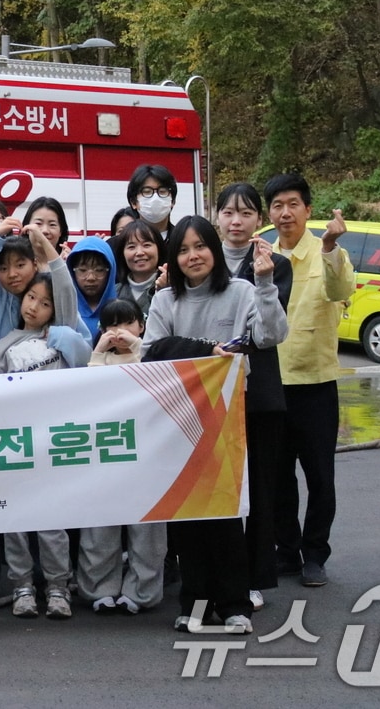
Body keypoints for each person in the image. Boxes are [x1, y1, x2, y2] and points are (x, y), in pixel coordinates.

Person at [142, 216, 289, 634]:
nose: (193, 256)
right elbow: (151, 351)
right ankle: (195, 604)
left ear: (215, 249)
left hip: (229, 415)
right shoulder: (164, 300)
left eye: (201, 246)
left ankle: (234, 605)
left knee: (225, 511)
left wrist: (265, 283)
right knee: (187, 512)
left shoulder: (241, 291)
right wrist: (208, 350)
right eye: (183, 250)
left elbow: (271, 335)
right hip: (180, 418)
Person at [265, 174, 353, 589]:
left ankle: (315, 554)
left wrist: (331, 245)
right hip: (272, 383)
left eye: (293, 204)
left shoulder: (327, 252)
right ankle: (287, 551)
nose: (285, 213)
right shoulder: (261, 256)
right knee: (277, 477)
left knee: (320, 476)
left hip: (315, 383)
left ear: (308, 210)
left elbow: (341, 289)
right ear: (269, 212)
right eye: (277, 205)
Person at [0, 273, 89, 620]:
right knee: (14, 519)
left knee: (51, 519)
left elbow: (83, 361)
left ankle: (58, 586)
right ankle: (22, 585)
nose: (34, 306)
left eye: (45, 303)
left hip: (52, 440)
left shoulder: (64, 340)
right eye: (31, 297)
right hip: (14, 441)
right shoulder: (4, 345)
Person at [217, 182, 292, 610]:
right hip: (211, 392)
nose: (236, 221)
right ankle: (212, 570)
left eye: (246, 213)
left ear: (258, 220)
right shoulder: (202, 260)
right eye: (228, 212)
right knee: (216, 485)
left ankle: (255, 575)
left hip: (259, 392)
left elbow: (269, 332)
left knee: (259, 487)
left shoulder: (274, 264)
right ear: (216, 217)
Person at [77, 298, 167, 615]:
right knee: (99, 526)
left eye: (128, 323)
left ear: (141, 325)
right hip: (105, 452)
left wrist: (137, 344)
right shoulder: (97, 360)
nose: (120, 331)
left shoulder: (151, 356)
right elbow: (88, 391)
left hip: (148, 453)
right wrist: (99, 351)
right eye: (112, 325)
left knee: (148, 529)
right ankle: (99, 589)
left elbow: (156, 377)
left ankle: (142, 592)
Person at [0, 215, 80, 376]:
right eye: (3, 268)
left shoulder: (50, 292)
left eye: (20, 265)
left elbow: (66, 291)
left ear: (34, 263)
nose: (12, 274)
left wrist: (44, 243)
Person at [112, 219, 167, 317]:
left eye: (146, 245)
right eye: (131, 247)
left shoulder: (172, 288)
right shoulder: (113, 292)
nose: (140, 252)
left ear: (159, 249)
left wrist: (166, 292)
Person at [68, 234, 116, 342]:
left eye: (99, 270)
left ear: (110, 271)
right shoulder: (65, 310)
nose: (91, 278)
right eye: (82, 270)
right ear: (72, 271)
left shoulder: (121, 309)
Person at [127, 164, 178, 236]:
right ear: (133, 202)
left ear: (173, 201)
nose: (155, 198)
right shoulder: (120, 242)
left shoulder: (184, 240)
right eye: (147, 192)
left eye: (162, 191)